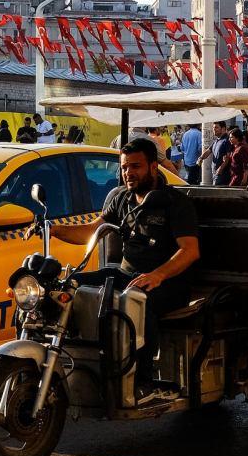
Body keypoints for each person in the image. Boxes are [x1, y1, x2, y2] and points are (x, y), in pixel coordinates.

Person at [52, 138, 200, 403]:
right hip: (125, 274)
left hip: (169, 283)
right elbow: (92, 230)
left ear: (154, 167)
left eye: (136, 166)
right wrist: (54, 229)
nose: (128, 173)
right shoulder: (121, 198)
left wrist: (157, 275)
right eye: (124, 168)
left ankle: (144, 382)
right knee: (69, 284)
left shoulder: (175, 203)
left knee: (137, 300)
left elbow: (190, 251)